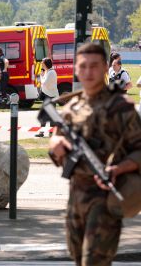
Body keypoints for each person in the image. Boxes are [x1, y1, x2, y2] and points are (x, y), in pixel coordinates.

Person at [49, 43, 141, 265]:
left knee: (95, 262)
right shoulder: (71, 108)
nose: (88, 72)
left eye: (94, 66)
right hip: (76, 197)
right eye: (83, 66)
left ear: (105, 68)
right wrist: (56, 144)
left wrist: (119, 168)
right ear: (76, 69)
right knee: (78, 259)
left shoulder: (121, 108)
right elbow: (56, 142)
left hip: (106, 198)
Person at [35, 57, 60, 138]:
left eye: (42, 63)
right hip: (47, 96)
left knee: (51, 115)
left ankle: (50, 133)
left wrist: (41, 76)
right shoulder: (47, 72)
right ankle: (44, 132)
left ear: (46, 64)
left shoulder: (51, 72)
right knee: (45, 114)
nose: (41, 64)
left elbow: (44, 83)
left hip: (51, 96)